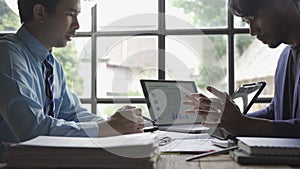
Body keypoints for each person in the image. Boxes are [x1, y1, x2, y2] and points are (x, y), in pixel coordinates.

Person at [0, 0, 144, 162]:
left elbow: (73, 114)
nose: (77, 25)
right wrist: (109, 127)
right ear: (40, 13)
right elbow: (32, 129)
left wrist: (118, 123)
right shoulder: (7, 56)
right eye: (70, 14)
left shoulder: (52, 64)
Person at [184, 0, 300, 138]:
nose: (252, 31)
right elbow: (276, 112)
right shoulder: (285, 57)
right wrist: (227, 122)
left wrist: (244, 125)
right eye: (246, 22)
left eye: (254, 18)